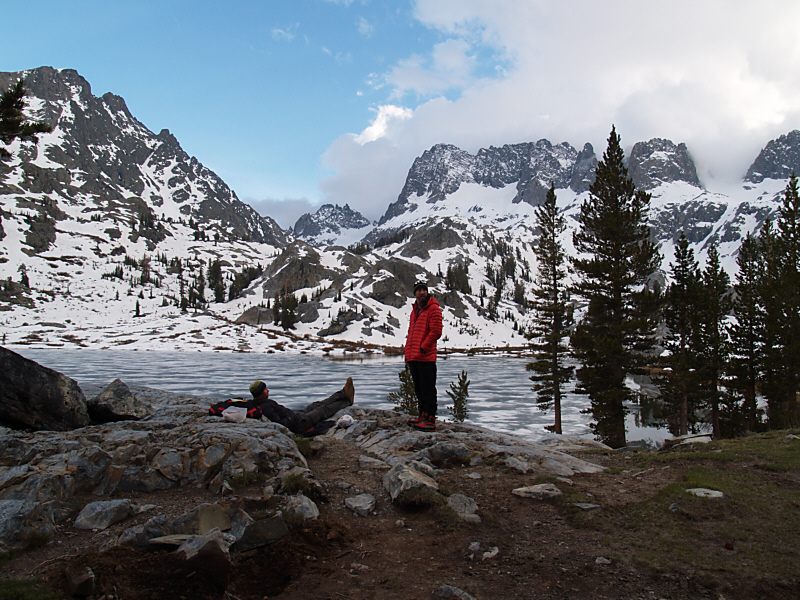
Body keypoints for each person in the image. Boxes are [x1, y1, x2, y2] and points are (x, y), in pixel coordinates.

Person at [211, 377, 355, 436]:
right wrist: (291, 417)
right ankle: (346, 401)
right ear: (261, 393)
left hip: (294, 415)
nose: (268, 391)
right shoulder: (265, 407)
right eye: (266, 390)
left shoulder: (258, 403)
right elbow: (280, 425)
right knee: (322, 410)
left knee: (315, 405)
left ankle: (342, 393)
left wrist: (291, 414)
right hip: (298, 423)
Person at [404, 279, 443, 431]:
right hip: (414, 356)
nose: (422, 292)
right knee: (419, 388)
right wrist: (407, 351)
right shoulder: (415, 310)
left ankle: (430, 419)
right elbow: (411, 333)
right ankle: (422, 415)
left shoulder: (433, 308)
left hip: (425, 356)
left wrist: (423, 347)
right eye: (419, 290)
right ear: (415, 293)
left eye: (424, 290)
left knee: (428, 388)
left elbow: (436, 331)